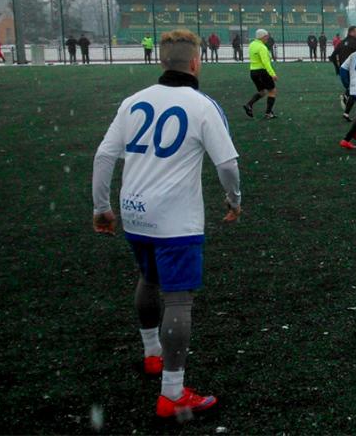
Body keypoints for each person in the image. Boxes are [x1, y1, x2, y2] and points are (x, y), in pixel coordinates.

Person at [91, 29, 241, 420]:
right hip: (175, 218)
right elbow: (227, 164)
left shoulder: (133, 101)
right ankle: (172, 393)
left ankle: (152, 353)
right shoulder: (202, 105)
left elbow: (104, 155)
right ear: (196, 62)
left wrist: (102, 207)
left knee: (147, 278)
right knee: (178, 299)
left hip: (134, 211)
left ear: (161, 61)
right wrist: (234, 199)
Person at [242, 29, 278, 119]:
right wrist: (272, 74)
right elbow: (266, 62)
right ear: (262, 37)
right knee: (272, 91)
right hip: (262, 72)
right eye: (266, 36)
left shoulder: (252, 44)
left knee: (262, 91)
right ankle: (268, 113)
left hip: (253, 72)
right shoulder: (262, 47)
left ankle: (249, 105)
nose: (267, 38)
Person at [329, 26, 356, 121]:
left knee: (353, 89)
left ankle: (346, 112)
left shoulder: (341, 42)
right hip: (354, 70)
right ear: (351, 32)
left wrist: (337, 69)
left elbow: (332, 56)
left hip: (343, 70)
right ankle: (347, 100)